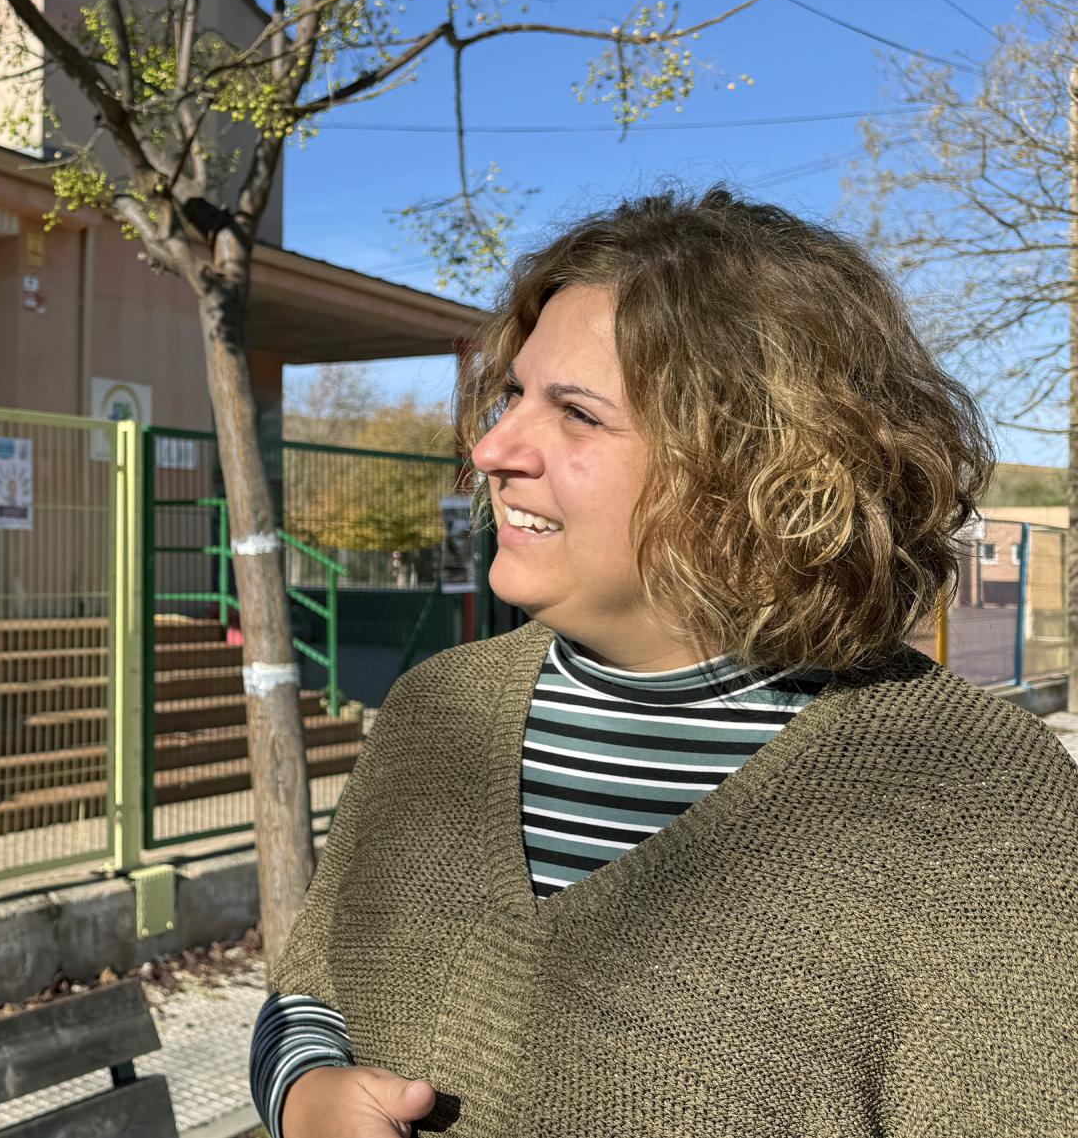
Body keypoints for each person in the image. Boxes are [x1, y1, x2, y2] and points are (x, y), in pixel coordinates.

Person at [249, 188, 1078, 1137]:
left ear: (759, 469)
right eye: (514, 394)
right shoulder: (437, 711)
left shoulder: (975, 801)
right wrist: (303, 1093)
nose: (491, 446)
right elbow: (309, 990)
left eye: (577, 413)